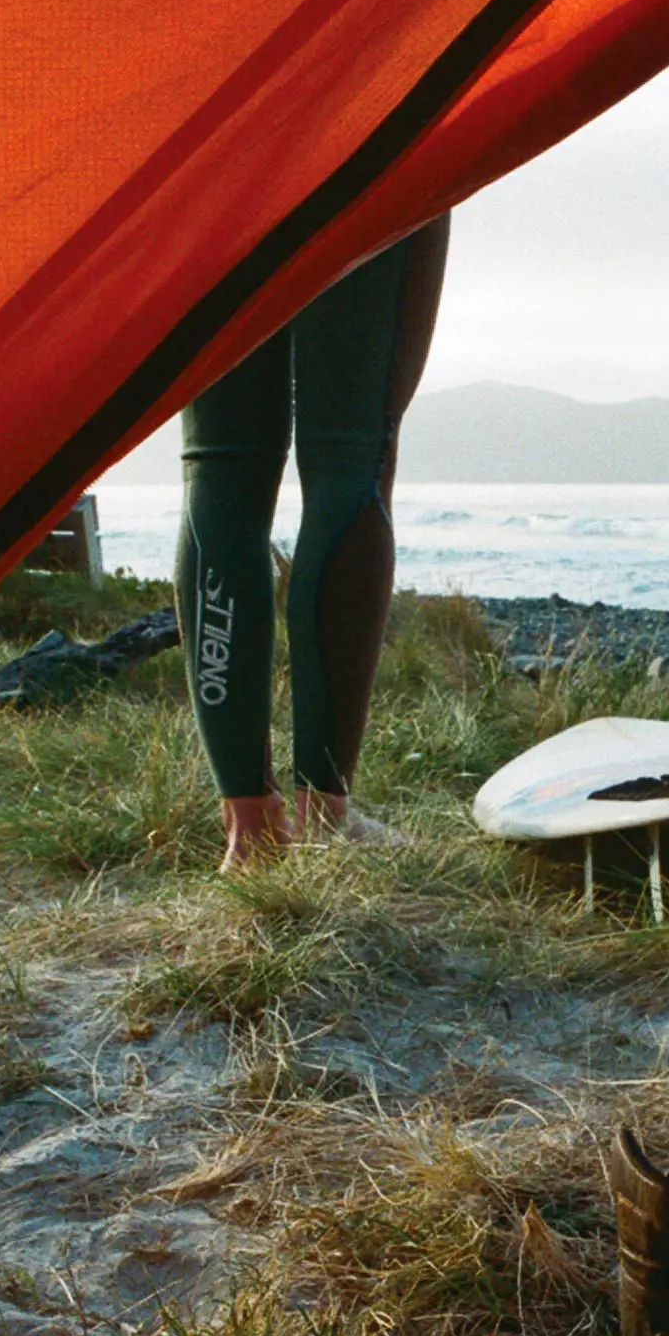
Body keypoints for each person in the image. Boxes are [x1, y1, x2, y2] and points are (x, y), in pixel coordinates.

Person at [175, 214, 451, 870]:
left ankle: (252, 828)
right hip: (365, 146)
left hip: (212, 167)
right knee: (351, 459)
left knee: (222, 469)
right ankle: (325, 817)